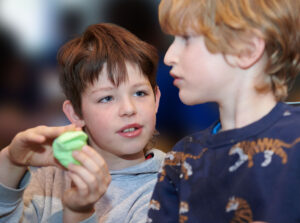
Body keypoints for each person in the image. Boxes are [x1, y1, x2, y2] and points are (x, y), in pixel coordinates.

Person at [147, 0, 300, 222]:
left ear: (247, 49)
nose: (169, 55)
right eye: (173, 39)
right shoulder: (181, 160)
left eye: (186, 39)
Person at [0, 23, 165, 223]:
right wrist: (11, 161)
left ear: (156, 99)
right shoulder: (49, 177)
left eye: (140, 93)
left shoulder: (172, 183)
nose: (129, 109)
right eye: (107, 98)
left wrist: (79, 214)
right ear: (76, 113)